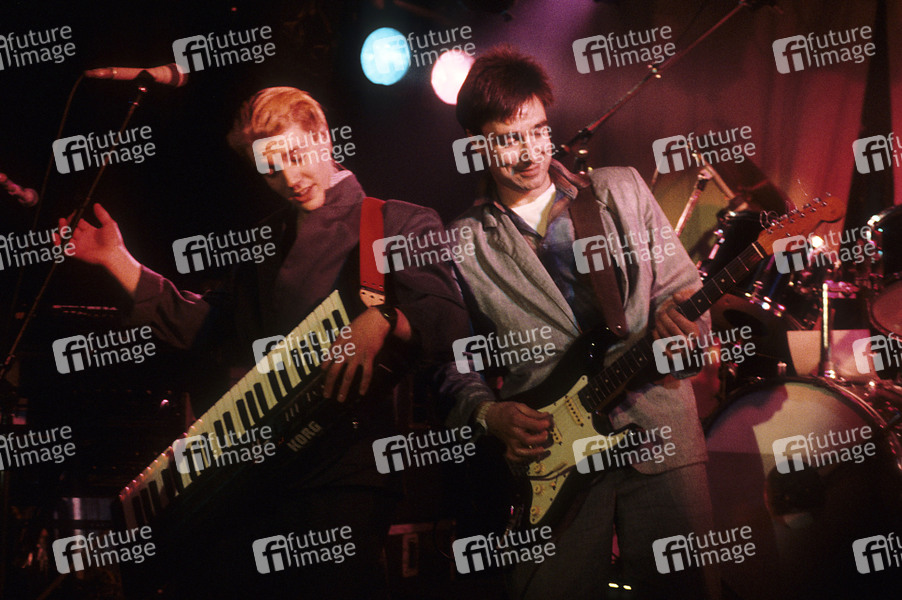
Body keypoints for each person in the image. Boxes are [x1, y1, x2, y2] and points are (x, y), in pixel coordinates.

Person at [60, 87, 468, 598]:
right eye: (271, 170)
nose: (289, 179)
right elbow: (210, 327)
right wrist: (118, 262)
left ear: (323, 137)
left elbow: (450, 322)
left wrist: (384, 317)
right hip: (260, 470)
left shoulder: (398, 221)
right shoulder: (265, 240)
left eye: (296, 156)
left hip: (344, 471)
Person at [440, 47, 718, 599]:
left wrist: (685, 329)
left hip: (657, 433)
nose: (530, 153)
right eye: (508, 139)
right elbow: (453, 363)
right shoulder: (461, 243)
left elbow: (685, 294)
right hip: (551, 457)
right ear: (475, 144)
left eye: (538, 131)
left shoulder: (621, 190)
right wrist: (488, 414)